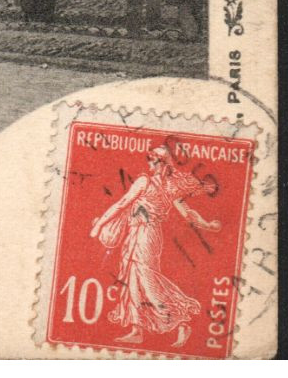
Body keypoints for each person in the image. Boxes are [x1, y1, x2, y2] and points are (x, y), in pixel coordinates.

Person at [89, 144, 220, 347]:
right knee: (132, 279)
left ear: (161, 164)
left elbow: (123, 203)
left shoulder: (152, 183)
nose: (149, 163)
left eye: (152, 159)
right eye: (149, 159)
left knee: (147, 280)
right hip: (136, 234)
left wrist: (99, 224)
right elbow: (188, 215)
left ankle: (180, 322)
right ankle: (136, 329)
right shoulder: (166, 186)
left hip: (147, 235)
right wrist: (208, 225)